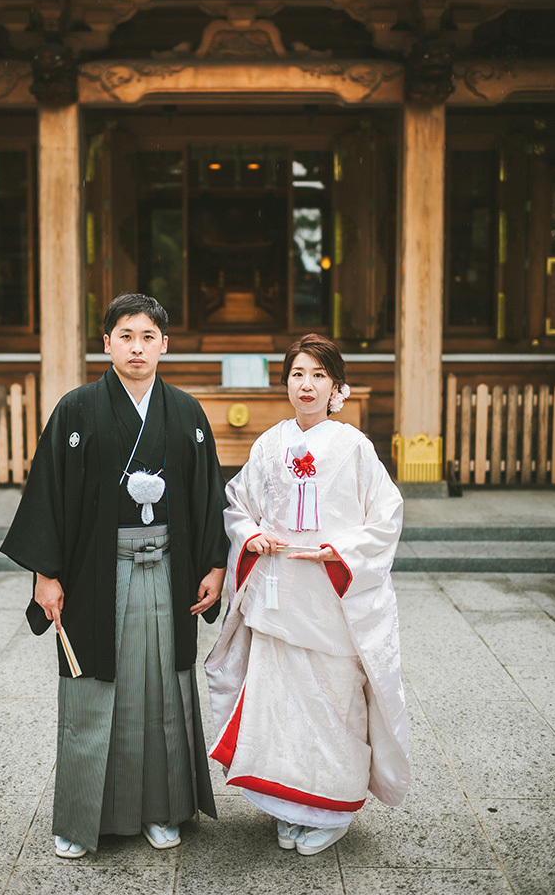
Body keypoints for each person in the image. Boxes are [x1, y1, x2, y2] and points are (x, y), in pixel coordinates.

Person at [1, 292, 228, 858]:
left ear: (164, 346)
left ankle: (161, 810)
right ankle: (84, 818)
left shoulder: (187, 414)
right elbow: (49, 496)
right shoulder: (77, 410)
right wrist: (44, 575)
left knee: (162, 688)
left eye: (148, 336)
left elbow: (207, 497)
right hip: (96, 574)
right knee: (93, 691)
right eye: (125, 335)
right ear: (106, 344)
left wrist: (215, 564)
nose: (137, 347)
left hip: (170, 569)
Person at [205, 333, 409, 856]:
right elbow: (237, 503)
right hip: (278, 593)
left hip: (332, 598)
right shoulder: (268, 444)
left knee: (334, 702)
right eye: (298, 373)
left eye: (319, 375)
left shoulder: (355, 447)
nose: (307, 384)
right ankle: (290, 804)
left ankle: (330, 806)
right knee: (282, 702)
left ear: (336, 386)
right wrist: (251, 535)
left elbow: (386, 518)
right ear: (286, 382)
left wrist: (339, 551)